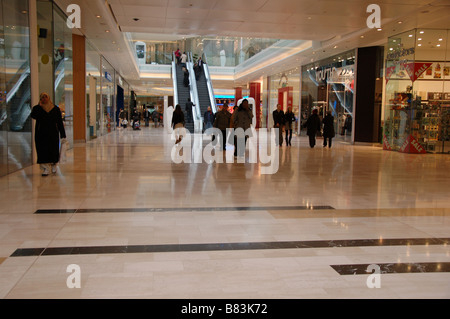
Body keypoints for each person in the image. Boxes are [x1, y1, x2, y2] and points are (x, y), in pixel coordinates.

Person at [31, 92, 66, 176]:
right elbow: (33, 116)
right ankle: (45, 168)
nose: (44, 99)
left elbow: (59, 122)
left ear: (49, 98)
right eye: (42, 97)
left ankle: (54, 165)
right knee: (42, 150)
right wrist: (39, 106)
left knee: (53, 149)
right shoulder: (37, 108)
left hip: (53, 133)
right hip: (41, 133)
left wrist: (62, 134)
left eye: (45, 97)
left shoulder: (55, 109)